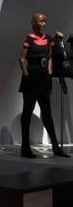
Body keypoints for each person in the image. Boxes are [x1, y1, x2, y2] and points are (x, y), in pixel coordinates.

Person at [19, 13, 69, 158]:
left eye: (45, 21)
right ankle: (25, 147)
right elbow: (21, 59)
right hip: (31, 77)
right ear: (33, 22)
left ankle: (56, 148)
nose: (43, 24)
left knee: (47, 113)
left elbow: (51, 57)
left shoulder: (48, 38)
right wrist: (26, 75)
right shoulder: (29, 38)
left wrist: (50, 72)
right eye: (41, 21)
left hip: (44, 78)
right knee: (27, 112)